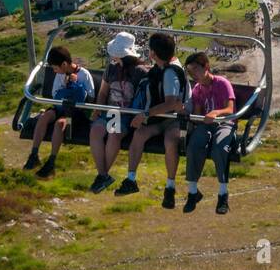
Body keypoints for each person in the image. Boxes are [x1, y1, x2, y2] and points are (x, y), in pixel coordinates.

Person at [114, 33, 187, 208]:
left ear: (153, 53)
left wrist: (145, 115)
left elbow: (171, 103)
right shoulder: (164, 68)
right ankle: (131, 179)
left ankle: (170, 186)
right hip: (162, 117)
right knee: (139, 135)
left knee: (170, 141)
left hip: (174, 119)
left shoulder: (170, 74)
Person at [25, 46, 94, 178]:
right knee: (44, 117)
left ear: (64, 64)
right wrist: (64, 86)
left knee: (59, 124)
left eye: (56, 68)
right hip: (60, 106)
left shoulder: (84, 75)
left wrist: (76, 84)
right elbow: (55, 94)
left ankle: (51, 161)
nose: (55, 72)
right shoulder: (60, 75)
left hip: (75, 113)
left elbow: (90, 96)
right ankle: (34, 154)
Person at [88, 32, 144, 194]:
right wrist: (98, 109)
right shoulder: (111, 68)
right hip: (110, 111)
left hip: (126, 114)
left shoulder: (140, 72)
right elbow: (103, 92)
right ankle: (103, 174)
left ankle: (103, 175)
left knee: (113, 133)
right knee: (95, 131)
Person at [182, 52, 236, 215]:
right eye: (190, 72)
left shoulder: (222, 83)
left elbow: (230, 109)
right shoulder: (198, 89)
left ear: (206, 67)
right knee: (194, 146)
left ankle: (223, 193)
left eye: (196, 70)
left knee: (219, 148)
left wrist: (215, 113)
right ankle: (192, 191)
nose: (193, 75)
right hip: (207, 125)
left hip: (224, 123)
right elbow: (199, 114)